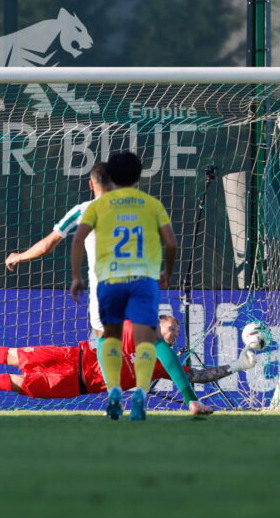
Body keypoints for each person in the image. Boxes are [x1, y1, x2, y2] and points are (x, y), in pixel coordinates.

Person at [6, 162, 209, 415]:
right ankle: (191, 400)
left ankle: (114, 396)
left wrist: (20, 256)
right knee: (156, 340)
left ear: (91, 184)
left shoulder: (83, 210)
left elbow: (49, 244)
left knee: (104, 338)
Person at [0, 315, 255, 401]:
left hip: (72, 383)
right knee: (6, 356)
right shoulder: (133, 327)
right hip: (69, 355)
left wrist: (238, 365)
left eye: (176, 334)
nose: (174, 335)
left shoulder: (162, 364)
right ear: (159, 323)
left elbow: (196, 376)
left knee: (7, 384)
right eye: (171, 329)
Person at [70, 151, 178, 420]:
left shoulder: (97, 207)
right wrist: (168, 272)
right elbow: (172, 244)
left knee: (109, 338)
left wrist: (76, 276)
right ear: (139, 178)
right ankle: (140, 393)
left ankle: (114, 393)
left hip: (110, 281)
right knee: (146, 341)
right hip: (142, 282)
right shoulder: (151, 205)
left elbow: (77, 241)